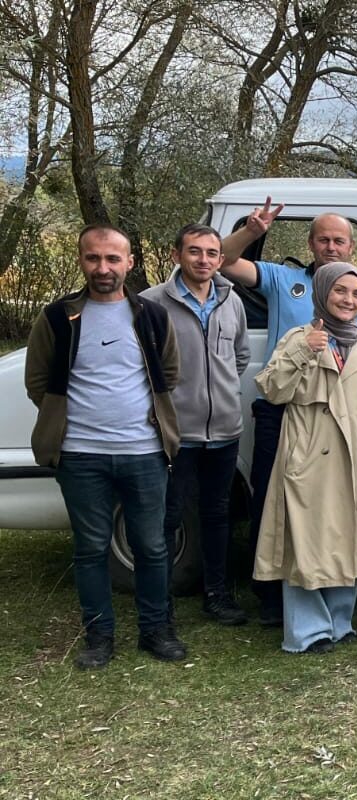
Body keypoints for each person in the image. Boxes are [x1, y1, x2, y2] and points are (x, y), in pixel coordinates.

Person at [26, 225, 185, 669]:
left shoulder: (151, 316)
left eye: (113, 259)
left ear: (129, 263)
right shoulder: (57, 317)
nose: (103, 268)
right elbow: (39, 383)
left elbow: (168, 375)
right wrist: (74, 420)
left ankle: (156, 631)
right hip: (79, 455)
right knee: (91, 547)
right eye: (94, 258)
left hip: (144, 451)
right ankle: (99, 637)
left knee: (152, 546)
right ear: (81, 260)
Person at [219, 198, 357, 625]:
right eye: (323, 239)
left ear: (350, 247)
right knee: (274, 504)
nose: (331, 246)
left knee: (333, 511)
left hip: (338, 415)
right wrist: (252, 231)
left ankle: (333, 596)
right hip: (284, 407)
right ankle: (272, 596)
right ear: (310, 243)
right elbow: (222, 262)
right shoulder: (281, 277)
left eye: (339, 240)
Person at [252, 263, 357, 654]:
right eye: (340, 291)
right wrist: (301, 351)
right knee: (305, 544)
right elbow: (272, 390)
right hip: (308, 454)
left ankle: (340, 622)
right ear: (322, 293)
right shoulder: (299, 337)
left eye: (356, 294)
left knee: (348, 538)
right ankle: (308, 632)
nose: (348, 300)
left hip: (352, 455)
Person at [140, 224, 251, 626]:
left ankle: (217, 595)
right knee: (169, 516)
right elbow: (140, 367)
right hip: (177, 434)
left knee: (217, 515)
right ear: (176, 255)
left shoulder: (230, 301)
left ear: (221, 259)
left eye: (211, 253)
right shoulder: (151, 303)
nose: (203, 260)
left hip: (224, 430)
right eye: (194, 252)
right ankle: (161, 602)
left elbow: (238, 358)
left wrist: (219, 395)